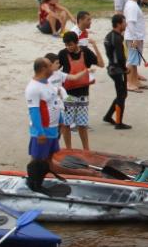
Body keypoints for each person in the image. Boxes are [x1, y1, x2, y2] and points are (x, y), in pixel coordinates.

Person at [58, 31, 104, 150]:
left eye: (70, 45)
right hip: (68, 95)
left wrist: (95, 46)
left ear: (76, 42)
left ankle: (86, 149)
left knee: (82, 124)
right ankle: (68, 149)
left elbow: (101, 64)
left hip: (83, 94)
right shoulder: (62, 54)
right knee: (66, 124)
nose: (68, 47)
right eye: (66, 45)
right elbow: (54, 70)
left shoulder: (86, 52)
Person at [25, 57, 65, 193]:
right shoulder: (33, 88)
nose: (53, 68)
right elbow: (34, 111)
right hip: (43, 130)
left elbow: (55, 102)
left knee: (49, 157)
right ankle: (33, 182)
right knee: (37, 158)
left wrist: (60, 119)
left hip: (53, 128)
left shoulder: (47, 83)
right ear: (43, 69)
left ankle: (45, 178)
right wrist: (40, 132)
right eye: (49, 66)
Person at [103, 14, 132, 129]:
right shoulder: (117, 38)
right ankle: (119, 123)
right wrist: (124, 69)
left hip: (112, 68)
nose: (126, 24)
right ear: (119, 24)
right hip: (117, 70)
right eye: (124, 22)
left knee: (121, 94)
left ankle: (108, 116)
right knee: (122, 95)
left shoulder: (109, 36)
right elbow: (119, 57)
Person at [123, 0, 147, 91]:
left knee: (135, 60)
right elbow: (130, 23)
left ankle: (135, 81)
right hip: (134, 37)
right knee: (131, 60)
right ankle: (129, 83)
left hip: (136, 36)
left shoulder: (132, 4)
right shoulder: (132, 6)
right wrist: (134, 38)